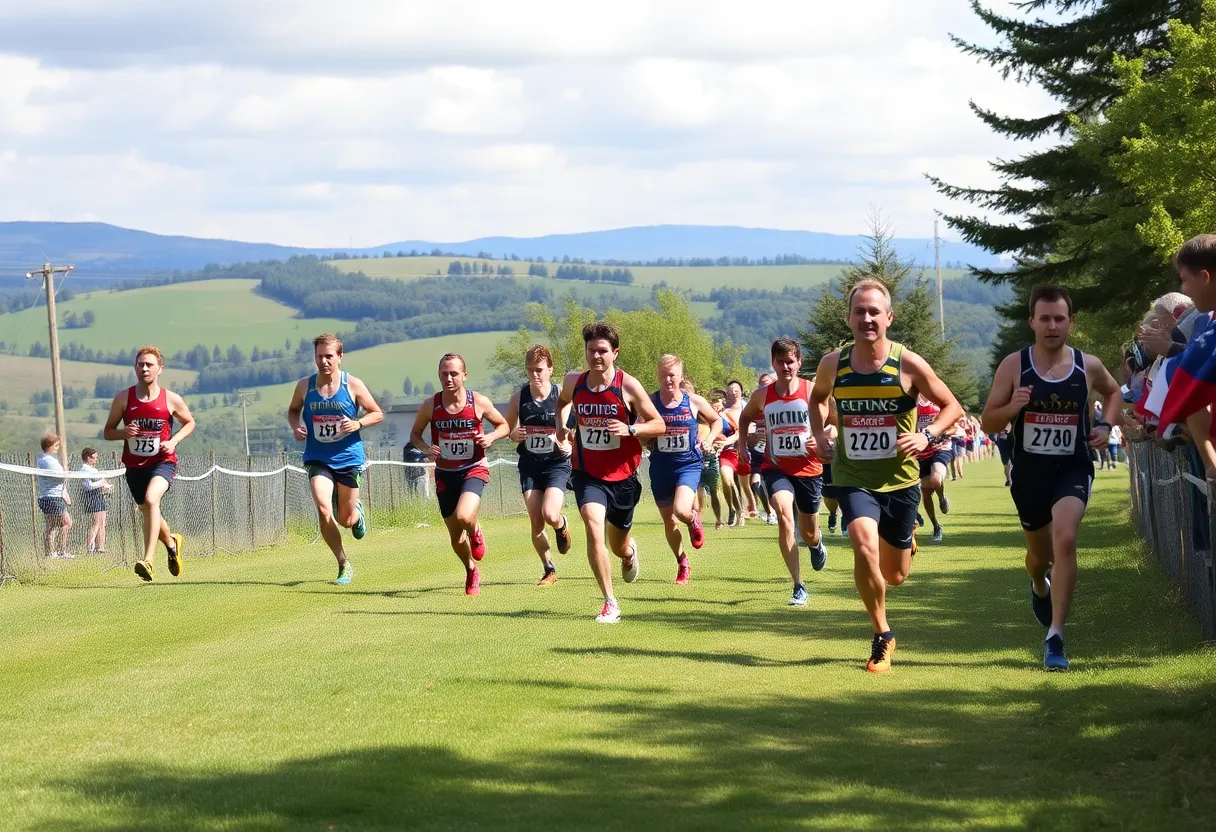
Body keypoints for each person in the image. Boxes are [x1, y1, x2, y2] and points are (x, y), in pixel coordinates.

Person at [811, 278, 962, 673]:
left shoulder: (907, 364)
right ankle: (882, 636)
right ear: (848, 318)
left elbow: (952, 407)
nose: (866, 318)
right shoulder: (833, 364)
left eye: (874, 311)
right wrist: (820, 433)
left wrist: (927, 434)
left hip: (900, 480)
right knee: (862, 544)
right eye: (859, 311)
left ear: (889, 318)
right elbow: (817, 399)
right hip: (853, 474)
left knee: (894, 575)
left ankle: (908, 540)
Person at [982, 284, 1122, 672]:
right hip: (1028, 475)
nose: (1052, 325)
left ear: (1071, 322)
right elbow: (988, 420)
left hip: (1072, 469)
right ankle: (1038, 584)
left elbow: (1113, 393)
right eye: (1044, 318)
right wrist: (1013, 406)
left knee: (1066, 539)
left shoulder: (1086, 365)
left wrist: (1106, 426)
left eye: (1060, 318)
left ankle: (1055, 635)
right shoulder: (1015, 365)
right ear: (1032, 322)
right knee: (1039, 558)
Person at [557, 321, 665, 623]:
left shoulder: (627, 385)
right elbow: (562, 403)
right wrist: (560, 427)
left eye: (603, 351)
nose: (596, 356)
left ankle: (629, 552)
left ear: (615, 353)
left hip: (623, 475)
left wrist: (630, 428)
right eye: (591, 350)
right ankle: (609, 602)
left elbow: (659, 424)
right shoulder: (573, 382)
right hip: (587, 472)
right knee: (593, 529)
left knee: (617, 545)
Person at [739, 339, 829, 607]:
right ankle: (798, 585)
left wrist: (823, 438)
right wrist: (742, 444)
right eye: (780, 361)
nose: (786, 366)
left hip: (809, 469)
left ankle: (816, 544)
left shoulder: (813, 391)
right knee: (784, 516)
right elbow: (744, 418)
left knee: (809, 531)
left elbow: (834, 424)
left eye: (790, 361)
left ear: (799, 362)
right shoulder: (762, 395)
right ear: (773, 363)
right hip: (775, 467)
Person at [287, 333, 382, 586]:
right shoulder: (304, 386)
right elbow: (293, 410)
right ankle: (343, 563)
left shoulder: (352, 385)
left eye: (329, 356)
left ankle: (356, 514)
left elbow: (377, 413)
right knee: (322, 508)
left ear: (339, 357)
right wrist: (296, 427)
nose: (324, 361)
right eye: (319, 356)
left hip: (348, 457)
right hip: (318, 457)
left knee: (346, 520)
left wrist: (358, 423)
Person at [411, 353, 509, 596]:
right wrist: (426, 449)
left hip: (473, 468)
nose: (449, 378)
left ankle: (475, 530)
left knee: (465, 516)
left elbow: (504, 426)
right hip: (445, 473)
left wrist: (490, 437)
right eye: (444, 373)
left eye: (454, 373)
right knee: (455, 538)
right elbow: (415, 435)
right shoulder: (430, 406)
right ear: (439, 375)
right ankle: (471, 569)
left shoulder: (478, 402)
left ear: (464, 375)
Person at [103, 345, 195, 582]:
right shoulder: (123, 398)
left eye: (149, 364)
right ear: (135, 367)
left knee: (152, 500)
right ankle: (172, 543)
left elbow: (189, 423)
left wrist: (173, 442)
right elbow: (108, 432)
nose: (144, 368)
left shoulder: (170, 399)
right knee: (148, 509)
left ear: (159, 369)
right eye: (140, 364)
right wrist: (124, 432)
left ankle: (148, 560)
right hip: (135, 466)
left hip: (163, 461)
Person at [648, 354, 722, 585]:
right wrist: (644, 437)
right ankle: (682, 562)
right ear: (658, 376)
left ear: (680, 376)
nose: (668, 380)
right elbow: (641, 426)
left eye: (672, 375)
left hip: (687, 465)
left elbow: (716, 421)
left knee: (681, 510)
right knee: (669, 523)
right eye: (663, 376)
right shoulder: (650, 402)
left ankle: (692, 520)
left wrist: (709, 439)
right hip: (660, 467)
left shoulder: (694, 401)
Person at [504, 344, 574, 586]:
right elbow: (507, 428)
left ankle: (561, 524)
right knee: (536, 521)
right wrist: (513, 434)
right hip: (530, 464)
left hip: (556, 464)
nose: (535, 374)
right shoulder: (519, 397)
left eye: (540, 370)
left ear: (550, 370)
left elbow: (573, 431)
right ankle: (549, 568)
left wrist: (569, 444)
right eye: (531, 370)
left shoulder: (561, 396)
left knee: (550, 514)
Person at [915, 394, 954, 543]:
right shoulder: (910, 404)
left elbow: (954, 426)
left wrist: (941, 434)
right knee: (925, 492)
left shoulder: (939, 402)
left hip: (940, 449)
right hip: (919, 453)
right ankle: (936, 526)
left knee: (936, 480)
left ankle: (941, 497)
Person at [747, 371, 779, 525]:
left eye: (768, 383)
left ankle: (784, 511)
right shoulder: (755, 404)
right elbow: (745, 422)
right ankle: (769, 512)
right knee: (755, 484)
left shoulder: (779, 403)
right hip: (758, 453)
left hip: (778, 453)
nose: (765, 386)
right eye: (762, 384)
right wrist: (749, 437)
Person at [35, 434, 73, 559]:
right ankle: (53, 552)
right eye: (55, 445)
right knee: (56, 525)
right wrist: (66, 471)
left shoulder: (46, 459)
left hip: (54, 496)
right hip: (51, 497)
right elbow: (61, 475)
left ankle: (60, 551)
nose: (57, 447)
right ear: (48, 446)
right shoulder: (47, 460)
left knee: (62, 524)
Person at [717, 381, 745, 526]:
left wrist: (726, 441)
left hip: (736, 452)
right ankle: (732, 509)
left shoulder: (737, 411)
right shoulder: (714, 414)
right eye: (730, 390)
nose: (733, 392)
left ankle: (741, 511)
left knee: (736, 482)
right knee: (727, 480)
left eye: (736, 389)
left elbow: (738, 434)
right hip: (721, 453)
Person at [700, 389, 727, 530]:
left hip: (710, 459)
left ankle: (719, 520)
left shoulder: (711, 423)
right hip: (694, 459)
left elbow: (722, 438)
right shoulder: (691, 422)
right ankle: (696, 521)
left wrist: (716, 444)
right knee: (696, 491)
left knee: (714, 491)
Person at [79, 446, 111, 554]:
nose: (95, 460)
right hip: (91, 497)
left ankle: (100, 547)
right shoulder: (84, 469)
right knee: (96, 522)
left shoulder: (94, 469)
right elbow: (88, 486)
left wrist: (106, 486)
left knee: (102, 522)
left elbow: (100, 482)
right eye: (93, 457)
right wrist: (101, 483)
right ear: (88, 457)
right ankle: (90, 547)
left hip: (99, 495)